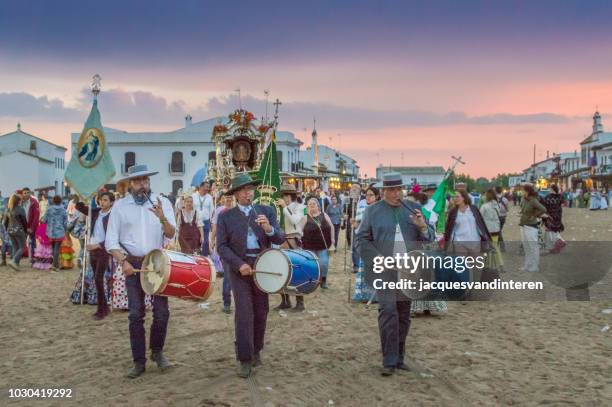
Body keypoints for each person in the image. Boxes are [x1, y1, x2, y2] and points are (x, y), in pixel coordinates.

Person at [357, 173, 435, 376]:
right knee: (388, 311)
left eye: (398, 189)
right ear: (383, 192)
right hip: (384, 270)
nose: (395, 193)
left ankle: (399, 358)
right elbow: (362, 240)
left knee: (403, 315)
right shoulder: (373, 211)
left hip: (409, 270)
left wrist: (423, 227)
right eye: (391, 190)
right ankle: (389, 361)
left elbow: (431, 237)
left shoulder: (413, 208)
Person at [105, 164, 177, 379]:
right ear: (130, 184)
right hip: (132, 265)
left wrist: (162, 217)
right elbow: (111, 241)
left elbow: (172, 233)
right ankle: (138, 361)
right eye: (137, 181)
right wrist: (123, 262)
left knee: (162, 313)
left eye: (145, 180)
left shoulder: (162, 202)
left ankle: (157, 352)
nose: (142, 185)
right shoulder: (120, 206)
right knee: (136, 314)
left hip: (157, 263)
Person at [216, 173, 284, 378]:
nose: (248, 192)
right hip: (240, 268)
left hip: (262, 265)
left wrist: (269, 229)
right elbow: (221, 246)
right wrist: (239, 264)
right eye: (244, 190)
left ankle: (256, 350)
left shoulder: (266, 211)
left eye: (250, 189)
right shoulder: (225, 216)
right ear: (236, 194)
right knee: (244, 313)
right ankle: (244, 358)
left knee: (261, 311)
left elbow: (280, 238)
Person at [76, 192, 115, 320]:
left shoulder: (113, 216)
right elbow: (80, 207)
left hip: (102, 250)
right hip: (92, 250)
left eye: (105, 200)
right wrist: (82, 195)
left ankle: (101, 310)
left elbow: (113, 237)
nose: (102, 202)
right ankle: (104, 308)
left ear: (111, 202)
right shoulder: (96, 212)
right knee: (97, 280)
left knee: (98, 278)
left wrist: (97, 245)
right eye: (101, 200)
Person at [275, 183, 307, 311]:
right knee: (281, 271)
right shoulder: (285, 207)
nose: (284, 198)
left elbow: (295, 221)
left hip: (294, 241)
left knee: (297, 271)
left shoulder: (301, 207)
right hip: (283, 240)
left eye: (285, 196)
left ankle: (300, 302)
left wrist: (284, 208)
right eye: (283, 196)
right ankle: (285, 300)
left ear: (290, 196)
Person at [352, 186, 381, 303]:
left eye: (371, 195)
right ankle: (364, 294)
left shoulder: (380, 209)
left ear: (377, 196)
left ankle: (376, 295)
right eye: (367, 195)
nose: (368, 197)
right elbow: (358, 228)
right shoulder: (362, 207)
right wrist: (355, 225)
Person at [210, 191, 234, 314]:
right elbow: (214, 228)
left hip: (238, 248)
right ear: (223, 199)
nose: (229, 199)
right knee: (228, 276)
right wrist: (212, 241)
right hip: (225, 248)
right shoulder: (219, 211)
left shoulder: (237, 210)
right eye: (227, 197)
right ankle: (226, 302)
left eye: (231, 197)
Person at [303, 197, 334, 290]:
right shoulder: (305, 217)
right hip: (309, 246)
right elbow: (299, 230)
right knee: (311, 265)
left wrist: (333, 241)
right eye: (309, 204)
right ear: (307, 207)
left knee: (324, 263)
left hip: (323, 245)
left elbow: (331, 227)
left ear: (318, 206)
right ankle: (313, 281)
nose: (312, 206)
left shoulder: (324, 215)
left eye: (314, 204)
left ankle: (323, 280)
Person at [519, 184, 547, 272]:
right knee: (526, 247)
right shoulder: (523, 199)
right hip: (523, 225)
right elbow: (523, 209)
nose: (522, 192)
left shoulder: (533, 200)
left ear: (527, 191)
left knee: (533, 246)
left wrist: (534, 215)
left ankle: (535, 266)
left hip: (531, 226)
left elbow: (543, 209)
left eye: (523, 190)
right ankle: (527, 265)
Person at [480, 189, 504, 270]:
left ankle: (489, 264)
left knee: (487, 248)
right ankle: (499, 264)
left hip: (487, 230)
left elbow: (480, 218)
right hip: (496, 229)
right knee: (495, 246)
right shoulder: (497, 205)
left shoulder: (484, 206)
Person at [42, 195, 68, 270]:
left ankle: (55, 264)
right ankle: (55, 265)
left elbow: (44, 220)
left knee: (53, 248)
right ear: (60, 201)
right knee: (57, 248)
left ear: (53, 201)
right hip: (60, 231)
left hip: (50, 231)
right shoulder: (63, 209)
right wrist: (66, 229)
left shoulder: (49, 209)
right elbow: (65, 222)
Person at [2, 194, 27, 270]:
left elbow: (5, 222)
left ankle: (16, 263)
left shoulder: (8, 209)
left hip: (10, 230)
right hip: (18, 230)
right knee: (22, 247)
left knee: (15, 246)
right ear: (18, 201)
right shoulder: (20, 209)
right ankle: (14, 261)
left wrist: (7, 230)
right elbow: (24, 222)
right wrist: (26, 230)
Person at [542, 184, 566, 254]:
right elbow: (563, 204)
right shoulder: (560, 196)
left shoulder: (547, 197)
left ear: (552, 189)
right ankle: (554, 247)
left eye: (550, 188)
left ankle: (559, 242)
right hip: (558, 216)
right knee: (554, 230)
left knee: (550, 231)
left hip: (550, 216)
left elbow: (544, 207)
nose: (549, 190)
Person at [193, 181, 214, 256]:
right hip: (195, 221)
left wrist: (211, 221)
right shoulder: (194, 196)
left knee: (205, 241)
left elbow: (212, 210)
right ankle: (195, 255)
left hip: (206, 221)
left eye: (208, 187)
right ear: (201, 187)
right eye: (206, 187)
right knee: (196, 238)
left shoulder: (209, 197)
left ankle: (205, 256)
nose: (208, 189)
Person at [20, 187, 40, 264]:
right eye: (24, 193)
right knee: (22, 242)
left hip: (32, 226)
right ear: (22, 194)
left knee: (33, 242)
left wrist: (32, 228)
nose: (26, 194)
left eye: (27, 192)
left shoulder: (34, 202)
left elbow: (36, 216)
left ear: (30, 193)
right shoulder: (20, 202)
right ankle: (18, 258)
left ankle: (34, 259)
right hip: (23, 226)